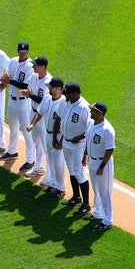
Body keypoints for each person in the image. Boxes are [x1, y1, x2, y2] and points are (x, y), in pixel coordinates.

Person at [53, 82, 92, 216]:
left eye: (67, 94)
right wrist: (58, 138)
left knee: (80, 173)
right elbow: (60, 119)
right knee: (71, 171)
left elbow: (90, 128)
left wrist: (85, 154)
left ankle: (86, 205)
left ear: (75, 94)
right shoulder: (66, 102)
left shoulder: (84, 107)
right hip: (67, 143)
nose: (65, 96)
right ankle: (76, 197)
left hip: (79, 145)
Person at [0, 41, 34, 169]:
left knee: (27, 132)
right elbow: (8, 76)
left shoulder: (30, 66)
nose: (22, 54)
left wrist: (9, 81)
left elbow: (26, 85)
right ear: (18, 51)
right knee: (13, 129)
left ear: (28, 52)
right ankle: (12, 151)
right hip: (12, 101)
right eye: (20, 52)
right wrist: (4, 84)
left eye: (24, 52)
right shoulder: (12, 61)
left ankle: (31, 160)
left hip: (23, 103)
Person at [27, 77, 66, 198]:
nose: (49, 88)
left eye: (51, 87)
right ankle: (53, 184)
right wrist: (32, 124)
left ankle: (61, 187)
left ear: (58, 89)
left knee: (59, 163)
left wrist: (60, 140)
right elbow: (40, 112)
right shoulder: (48, 98)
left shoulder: (64, 103)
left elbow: (65, 124)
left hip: (58, 136)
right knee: (50, 160)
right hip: (47, 133)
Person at [85, 102, 116, 231]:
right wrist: (84, 156)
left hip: (103, 164)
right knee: (96, 189)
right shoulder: (92, 124)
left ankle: (108, 220)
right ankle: (98, 212)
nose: (90, 112)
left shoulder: (107, 129)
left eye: (93, 110)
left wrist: (102, 166)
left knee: (105, 192)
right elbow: (88, 142)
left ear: (99, 113)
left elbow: (110, 150)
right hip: (92, 161)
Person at [20, 56, 52, 179]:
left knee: (45, 145)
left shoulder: (49, 82)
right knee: (36, 142)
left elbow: (44, 101)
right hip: (32, 111)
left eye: (36, 65)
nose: (33, 67)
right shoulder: (34, 76)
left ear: (43, 67)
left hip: (43, 116)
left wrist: (29, 95)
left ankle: (50, 174)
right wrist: (30, 94)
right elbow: (30, 92)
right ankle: (38, 167)